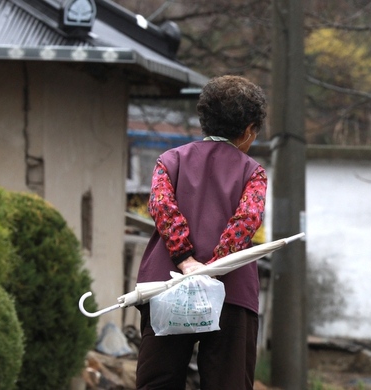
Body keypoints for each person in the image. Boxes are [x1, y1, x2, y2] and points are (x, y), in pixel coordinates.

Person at [135, 75, 268, 390]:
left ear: (204, 120)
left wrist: (185, 261)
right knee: (228, 383)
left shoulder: (169, 161)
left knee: (159, 382)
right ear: (249, 130)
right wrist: (213, 267)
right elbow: (246, 221)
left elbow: (162, 209)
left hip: (166, 287)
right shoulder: (254, 172)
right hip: (231, 294)